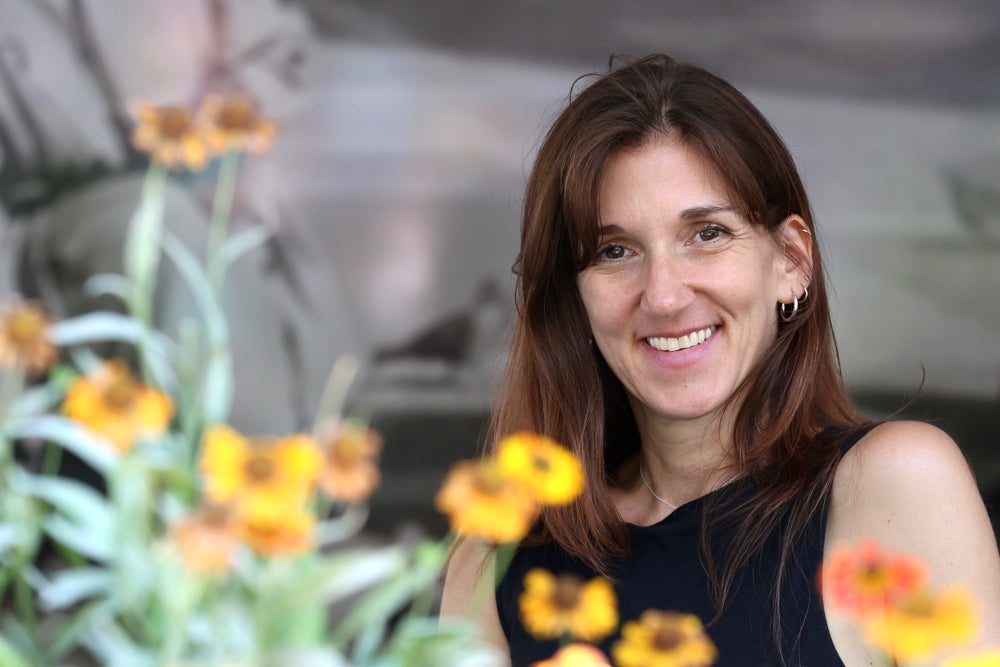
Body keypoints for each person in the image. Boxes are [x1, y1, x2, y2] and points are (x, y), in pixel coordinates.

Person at [439, 53, 1000, 666]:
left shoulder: (896, 484)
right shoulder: (497, 556)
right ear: (574, 297)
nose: (664, 295)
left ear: (790, 260)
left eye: (706, 234)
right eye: (615, 250)